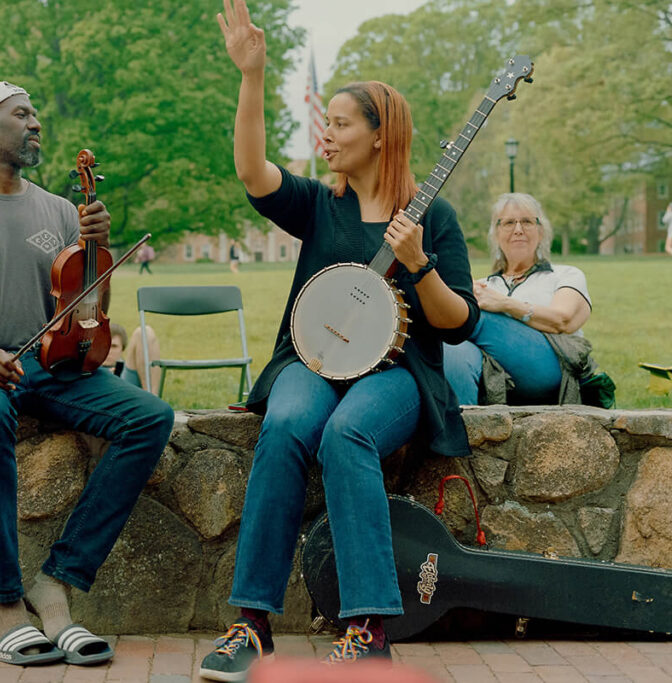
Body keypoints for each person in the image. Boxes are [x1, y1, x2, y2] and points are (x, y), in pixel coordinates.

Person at [200, 1, 478, 678]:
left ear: (381, 136)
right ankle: (251, 623)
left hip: (397, 373)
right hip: (312, 358)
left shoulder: (431, 216)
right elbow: (252, 171)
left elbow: (461, 321)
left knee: (346, 434)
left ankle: (367, 626)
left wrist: (417, 263)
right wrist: (252, 77)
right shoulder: (322, 204)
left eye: (343, 123)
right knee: (290, 421)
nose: (328, 133)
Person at [0, 81, 174, 669]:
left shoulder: (57, 210)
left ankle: (58, 580)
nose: (35, 122)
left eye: (36, 113)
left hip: (44, 367)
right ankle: (4, 608)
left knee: (149, 417)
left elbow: (87, 314)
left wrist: (98, 252)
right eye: (20, 114)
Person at [442, 193, 599, 406]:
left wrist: (504, 304)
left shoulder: (565, 275)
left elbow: (563, 320)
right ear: (496, 234)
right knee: (453, 350)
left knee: (466, 315)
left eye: (527, 222)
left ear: (541, 231)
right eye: (508, 223)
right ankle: (462, 431)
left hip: (549, 369)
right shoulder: (484, 286)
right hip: (492, 372)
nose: (518, 230)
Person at [104, 322, 161, 394]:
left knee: (144, 332)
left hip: (125, 385)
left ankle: (152, 398)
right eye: (105, 345)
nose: (108, 351)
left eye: (114, 346)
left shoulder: (126, 372)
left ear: (122, 349)